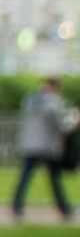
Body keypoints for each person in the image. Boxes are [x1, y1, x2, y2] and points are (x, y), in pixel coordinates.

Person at [10, 76, 73, 218]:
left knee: (24, 178)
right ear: (56, 88)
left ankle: (16, 207)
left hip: (30, 145)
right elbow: (60, 127)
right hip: (47, 147)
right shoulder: (54, 103)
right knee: (55, 181)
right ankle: (64, 209)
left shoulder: (30, 100)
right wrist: (73, 123)